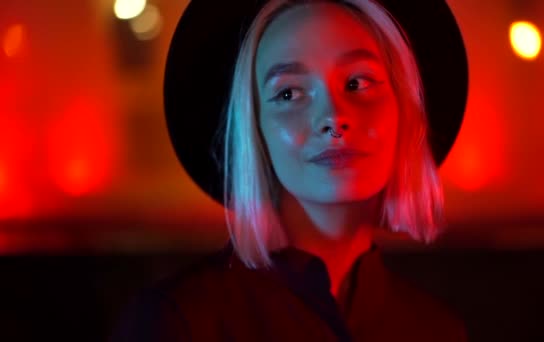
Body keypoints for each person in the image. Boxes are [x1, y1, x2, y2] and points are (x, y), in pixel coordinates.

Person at [110, 0, 469, 340]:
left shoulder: (436, 330)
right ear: (255, 129)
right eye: (288, 94)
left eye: (357, 82)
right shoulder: (180, 323)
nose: (334, 118)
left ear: (403, 109)